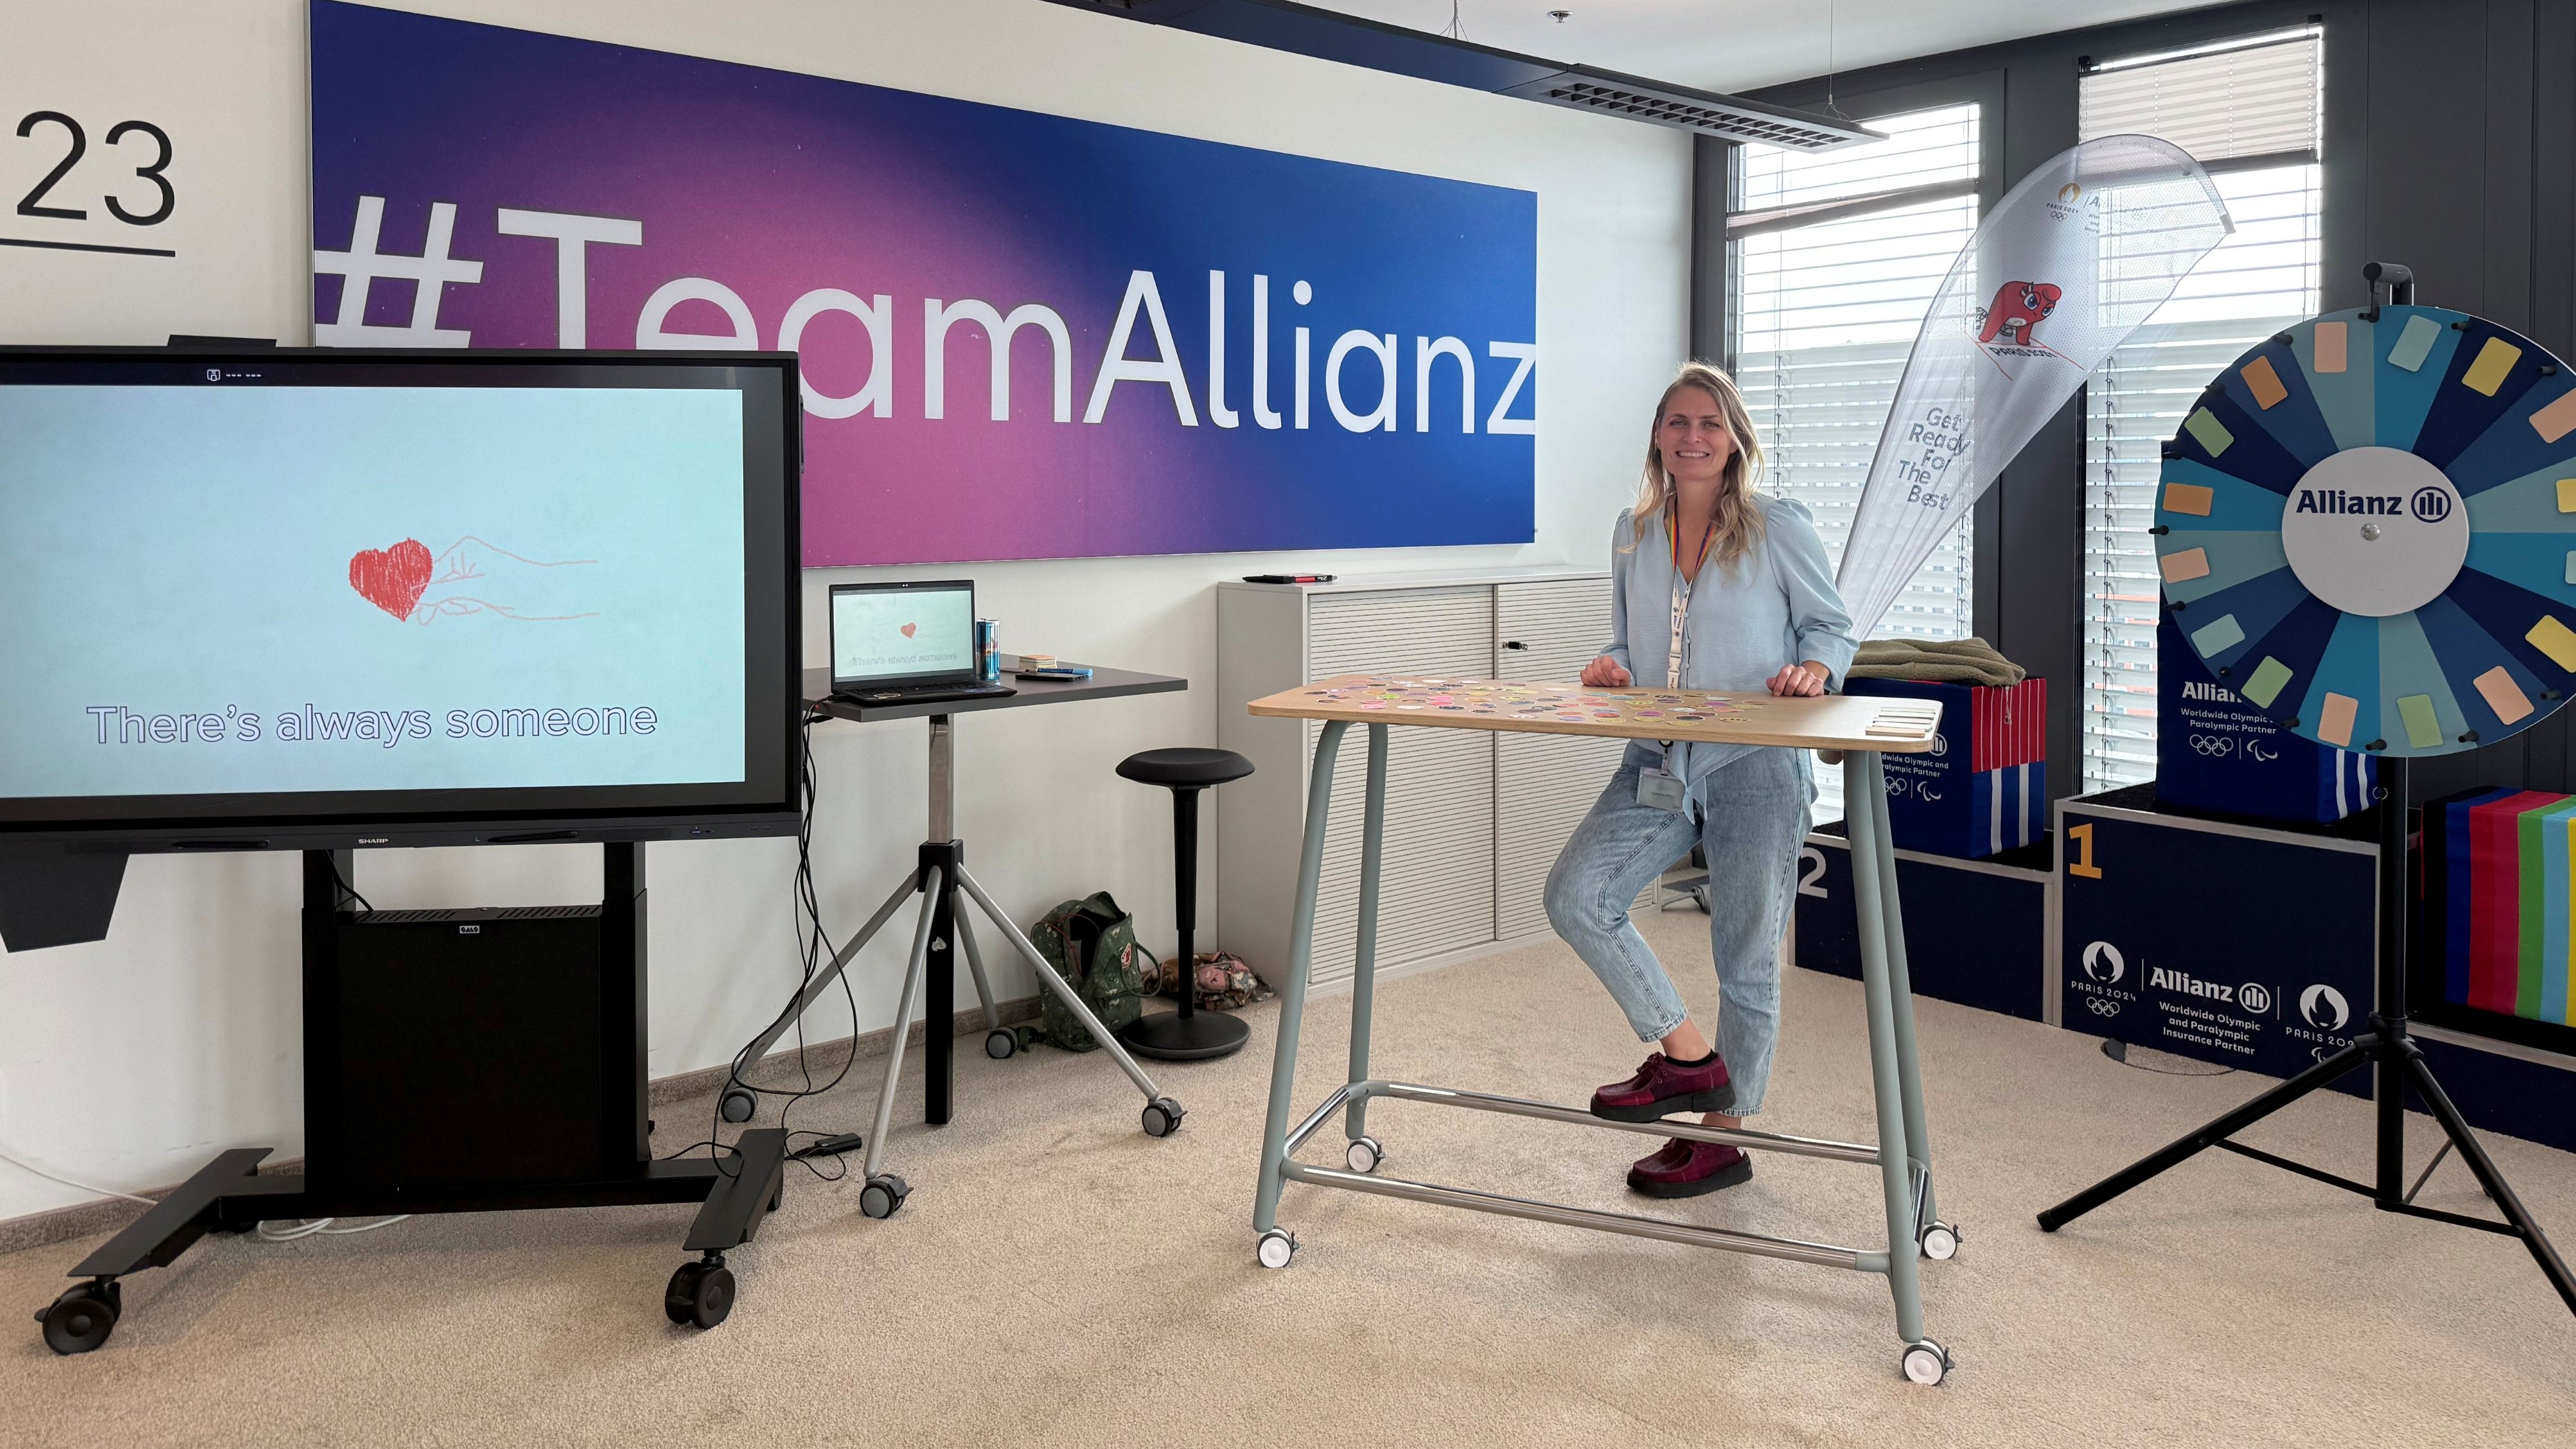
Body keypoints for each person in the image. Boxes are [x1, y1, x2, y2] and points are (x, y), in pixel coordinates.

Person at [1542, 360, 1855, 1199]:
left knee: (1745, 957)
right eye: (1678, 422)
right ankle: (1688, 1058)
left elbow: (1831, 626)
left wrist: (1814, 671)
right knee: (1576, 895)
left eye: (1709, 424)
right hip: (1654, 756)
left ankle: (1724, 1134)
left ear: (1733, 437)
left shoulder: (1775, 523)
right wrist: (1607, 665)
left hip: (1754, 763)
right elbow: (1625, 639)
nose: (1693, 438)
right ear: (1657, 434)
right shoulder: (1632, 529)